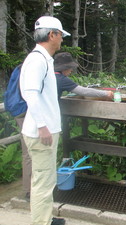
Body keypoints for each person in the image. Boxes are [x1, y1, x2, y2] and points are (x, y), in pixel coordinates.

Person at [19, 16, 69, 225]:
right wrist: (42, 126)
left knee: (46, 180)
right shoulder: (37, 60)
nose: (62, 40)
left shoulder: (44, 59)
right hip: (42, 132)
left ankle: (46, 219)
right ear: (52, 35)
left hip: (45, 130)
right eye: (60, 36)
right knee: (43, 182)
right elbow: (30, 94)